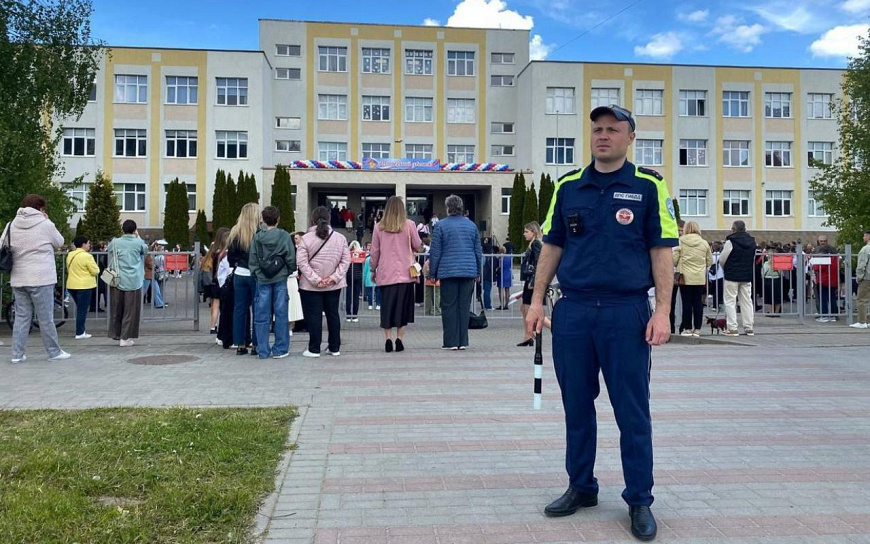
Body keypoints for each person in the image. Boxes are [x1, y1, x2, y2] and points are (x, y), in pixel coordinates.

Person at [526, 104, 678, 541]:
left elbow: (662, 252)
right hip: (573, 311)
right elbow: (552, 247)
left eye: (613, 129)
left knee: (632, 409)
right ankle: (581, 485)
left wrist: (663, 311)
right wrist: (536, 302)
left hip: (625, 311)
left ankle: (639, 499)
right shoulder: (568, 185)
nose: (603, 135)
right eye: (597, 129)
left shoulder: (649, 185)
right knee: (576, 405)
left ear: (631, 138)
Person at [4, 194, 70, 362]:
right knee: (46, 318)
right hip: (42, 278)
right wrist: (47, 220)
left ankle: (17, 355)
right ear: (41, 208)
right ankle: (54, 352)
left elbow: (2, 244)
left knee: (21, 317)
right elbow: (60, 241)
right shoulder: (45, 224)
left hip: (19, 277)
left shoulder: (11, 225)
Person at [428, 194, 483, 351]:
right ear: (461, 208)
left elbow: (435, 252)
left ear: (448, 208)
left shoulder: (440, 226)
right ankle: (463, 341)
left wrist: (433, 273)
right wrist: (478, 271)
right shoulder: (472, 226)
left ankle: (451, 341)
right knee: (464, 307)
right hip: (468, 271)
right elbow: (477, 251)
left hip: (448, 271)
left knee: (449, 306)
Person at [370, 196, 423, 352]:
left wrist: (373, 269)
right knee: (402, 308)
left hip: (386, 273)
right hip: (406, 273)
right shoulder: (409, 225)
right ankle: (399, 339)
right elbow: (418, 245)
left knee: (387, 308)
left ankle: (388, 339)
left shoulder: (379, 227)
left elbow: (374, 251)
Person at [297, 206, 350, 358]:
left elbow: (302, 263)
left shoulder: (306, 239)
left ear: (312, 220)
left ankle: (314, 348)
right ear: (329, 219)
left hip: (311, 286)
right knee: (333, 314)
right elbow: (345, 261)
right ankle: (334, 347)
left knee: (314, 316)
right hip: (333, 285)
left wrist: (316, 280)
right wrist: (333, 278)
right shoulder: (340, 238)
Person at [249, 206, 296, 359]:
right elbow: (291, 257)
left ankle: (262, 350)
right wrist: (287, 271)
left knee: (261, 314)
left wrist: (257, 273)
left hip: (262, 279)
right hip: (280, 278)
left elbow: (253, 259)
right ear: (278, 219)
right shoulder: (284, 236)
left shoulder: (257, 237)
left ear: (262, 220)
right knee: (281, 314)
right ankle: (280, 349)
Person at [107, 220, 148, 347]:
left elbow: (109, 250)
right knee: (130, 311)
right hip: (133, 281)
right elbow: (145, 250)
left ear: (122, 229)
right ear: (135, 230)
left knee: (117, 309)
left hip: (116, 279)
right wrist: (138, 236)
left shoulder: (115, 242)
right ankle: (125, 338)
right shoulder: (138, 242)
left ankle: (116, 334)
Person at [227, 203, 261, 356]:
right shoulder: (259, 233)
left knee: (239, 309)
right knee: (257, 309)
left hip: (239, 273)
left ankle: (240, 344)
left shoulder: (235, 232)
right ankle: (256, 344)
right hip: (255, 275)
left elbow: (230, 258)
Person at [673, 221, 713, 337]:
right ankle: (697, 329)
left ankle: (687, 328)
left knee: (686, 303)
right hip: (699, 277)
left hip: (685, 277)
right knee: (698, 303)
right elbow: (709, 261)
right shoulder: (704, 243)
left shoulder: (680, 241)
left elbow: (674, 260)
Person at [719, 220, 757, 337]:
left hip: (732, 275)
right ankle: (749, 327)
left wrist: (726, 268)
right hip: (746, 275)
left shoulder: (730, 241)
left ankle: (732, 328)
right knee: (746, 301)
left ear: (734, 229)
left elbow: (722, 259)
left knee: (730, 301)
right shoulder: (752, 241)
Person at [66, 235, 100, 340]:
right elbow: (95, 271)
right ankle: (80, 332)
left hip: (72, 285)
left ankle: (81, 331)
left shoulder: (70, 254)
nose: (89, 245)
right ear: (83, 244)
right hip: (84, 285)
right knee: (82, 310)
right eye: (88, 243)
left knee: (80, 308)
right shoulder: (87, 256)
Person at [517, 222, 544, 346]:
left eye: (526, 231)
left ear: (533, 232)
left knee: (528, 309)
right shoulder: (534, 244)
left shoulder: (535, 244)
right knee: (524, 307)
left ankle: (530, 335)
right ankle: (527, 335)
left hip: (531, 280)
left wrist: (533, 281)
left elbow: (539, 262)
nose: (524, 234)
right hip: (530, 280)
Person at [202, 228, 229, 334]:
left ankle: (213, 326)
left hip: (213, 281)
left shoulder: (213, 252)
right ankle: (222, 325)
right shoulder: (223, 253)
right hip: (221, 282)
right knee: (223, 306)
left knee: (214, 306)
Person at [812, 236, 840, 322]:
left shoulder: (824, 258)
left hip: (823, 280)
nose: (823, 242)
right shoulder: (835, 257)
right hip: (833, 280)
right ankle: (833, 315)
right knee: (832, 298)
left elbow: (818, 268)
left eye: (824, 241)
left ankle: (824, 315)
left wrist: (813, 265)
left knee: (823, 298)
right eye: (821, 241)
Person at [851, 230, 870, 329]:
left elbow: (861, 265)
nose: (863, 238)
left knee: (862, 300)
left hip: (867, 278)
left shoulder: (865, 249)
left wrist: (859, 277)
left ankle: (862, 322)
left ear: (868, 237)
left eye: (864, 236)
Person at [345, 240, 364, 322]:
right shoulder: (361, 255)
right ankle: (355, 316)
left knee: (348, 297)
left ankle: (348, 315)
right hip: (358, 277)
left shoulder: (347, 254)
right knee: (356, 297)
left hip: (348, 277)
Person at [762, 249, 783, 315]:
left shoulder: (766, 264)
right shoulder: (778, 263)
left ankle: (772, 311)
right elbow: (781, 272)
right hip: (776, 279)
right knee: (776, 296)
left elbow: (763, 273)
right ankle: (776, 312)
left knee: (770, 296)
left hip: (769, 279)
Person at [362, 242, 380, 310]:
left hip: (369, 277)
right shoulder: (380, 259)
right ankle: (378, 304)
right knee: (378, 291)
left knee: (370, 292)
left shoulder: (367, 259)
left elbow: (365, 270)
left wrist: (363, 278)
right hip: (378, 276)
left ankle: (370, 305)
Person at [495, 243, 513, 309]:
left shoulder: (499, 258)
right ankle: (507, 305)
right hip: (508, 274)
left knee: (500, 290)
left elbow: (497, 266)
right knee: (507, 290)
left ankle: (502, 304)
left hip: (501, 274)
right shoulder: (509, 258)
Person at [481, 237, 496, 311]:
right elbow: (494, 268)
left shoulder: (482, 256)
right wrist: (494, 278)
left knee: (485, 291)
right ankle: (488, 306)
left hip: (483, 275)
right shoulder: (491, 257)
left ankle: (486, 305)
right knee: (487, 291)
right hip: (488, 275)